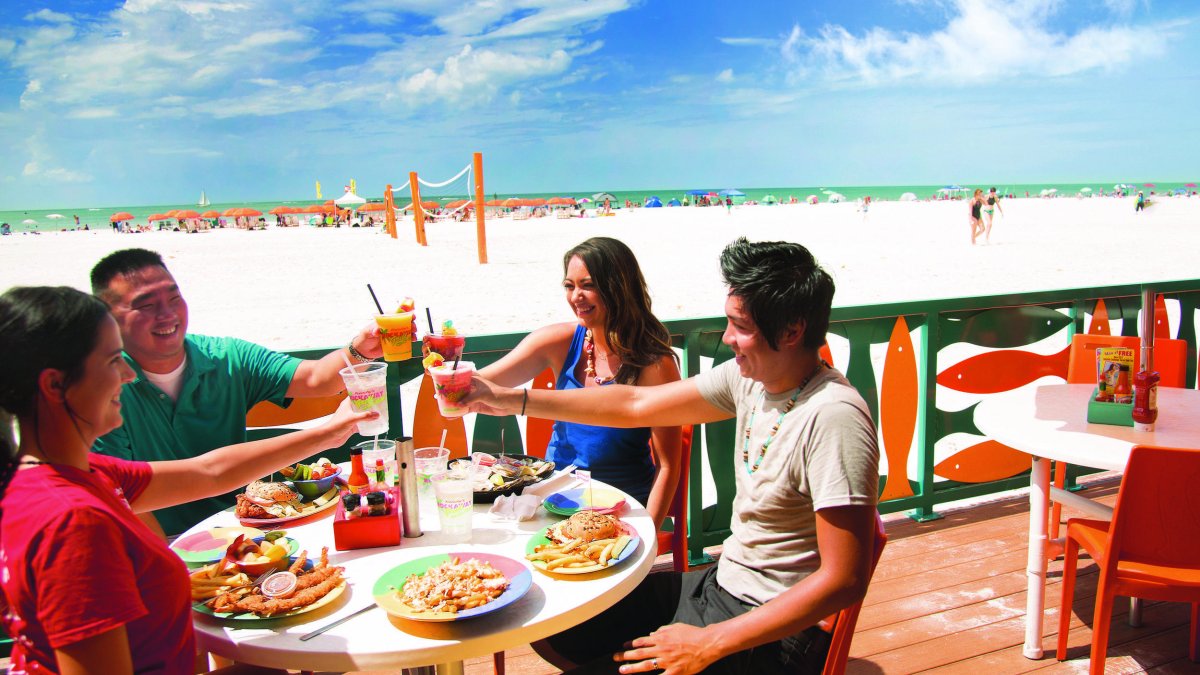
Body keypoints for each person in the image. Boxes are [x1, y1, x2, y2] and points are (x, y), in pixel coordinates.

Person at [465, 238, 880, 675]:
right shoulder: (752, 381)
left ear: (792, 331)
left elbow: (844, 579)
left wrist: (708, 643)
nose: (726, 338)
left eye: (739, 326)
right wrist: (515, 400)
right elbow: (634, 405)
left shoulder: (834, 418)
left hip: (773, 629)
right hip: (720, 583)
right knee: (554, 617)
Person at [0, 286, 375, 674]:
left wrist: (331, 432)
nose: (129, 376)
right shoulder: (73, 521)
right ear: (54, 385)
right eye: (114, 361)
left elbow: (208, 472)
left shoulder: (65, 475)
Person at [89, 248, 385, 536]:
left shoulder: (226, 357)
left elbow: (316, 378)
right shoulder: (101, 390)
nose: (167, 314)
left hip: (248, 524)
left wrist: (360, 350)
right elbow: (124, 501)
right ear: (106, 317)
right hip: (166, 542)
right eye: (146, 305)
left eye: (174, 297)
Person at [476, 238, 682, 527]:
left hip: (622, 509)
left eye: (588, 285)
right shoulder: (558, 342)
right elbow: (478, 383)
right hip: (553, 501)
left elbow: (668, 466)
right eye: (569, 286)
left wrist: (647, 532)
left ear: (619, 287)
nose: (576, 297)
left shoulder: (655, 364)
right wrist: (441, 367)